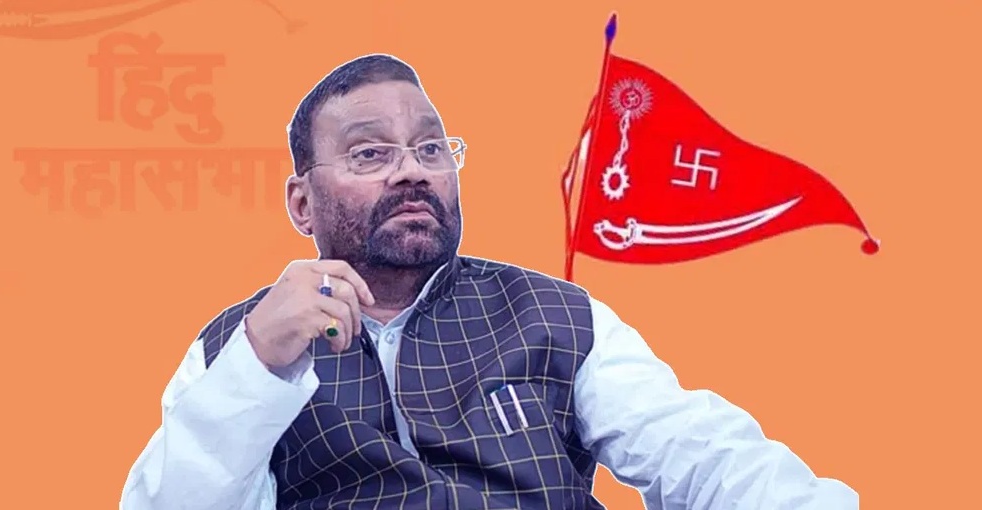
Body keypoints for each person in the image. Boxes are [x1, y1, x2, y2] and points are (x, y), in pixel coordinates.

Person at [119, 54, 858, 510]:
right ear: (302, 202)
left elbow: (702, 454)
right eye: (370, 154)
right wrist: (257, 363)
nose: (411, 171)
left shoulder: (553, 313)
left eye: (430, 148)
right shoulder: (238, 347)